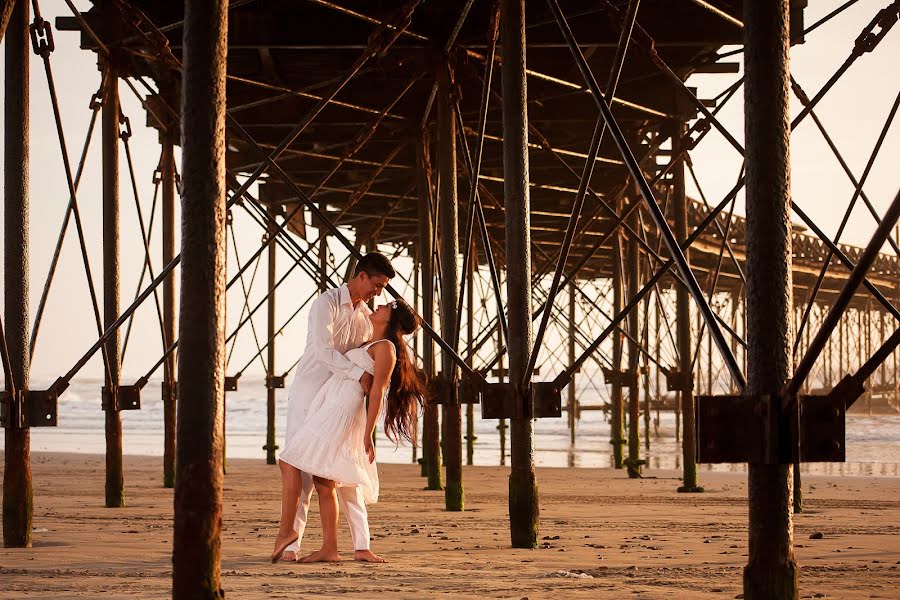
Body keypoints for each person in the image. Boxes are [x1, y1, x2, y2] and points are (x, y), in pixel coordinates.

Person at [276, 298, 426, 563]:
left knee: (294, 462)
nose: (378, 305)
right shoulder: (369, 342)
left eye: (386, 307)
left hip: (340, 410)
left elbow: (377, 392)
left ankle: (306, 540)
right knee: (326, 480)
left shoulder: (386, 349)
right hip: (331, 405)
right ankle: (347, 547)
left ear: (390, 320)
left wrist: (368, 433)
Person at [271, 253, 395, 563]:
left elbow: (371, 358)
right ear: (362, 275)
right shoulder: (325, 303)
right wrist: (359, 375)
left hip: (339, 400)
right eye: (377, 285)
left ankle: (361, 545)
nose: (377, 293)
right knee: (301, 469)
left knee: (342, 471)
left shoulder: (367, 317)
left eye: (382, 288)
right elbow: (321, 350)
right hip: (309, 393)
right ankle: (291, 546)